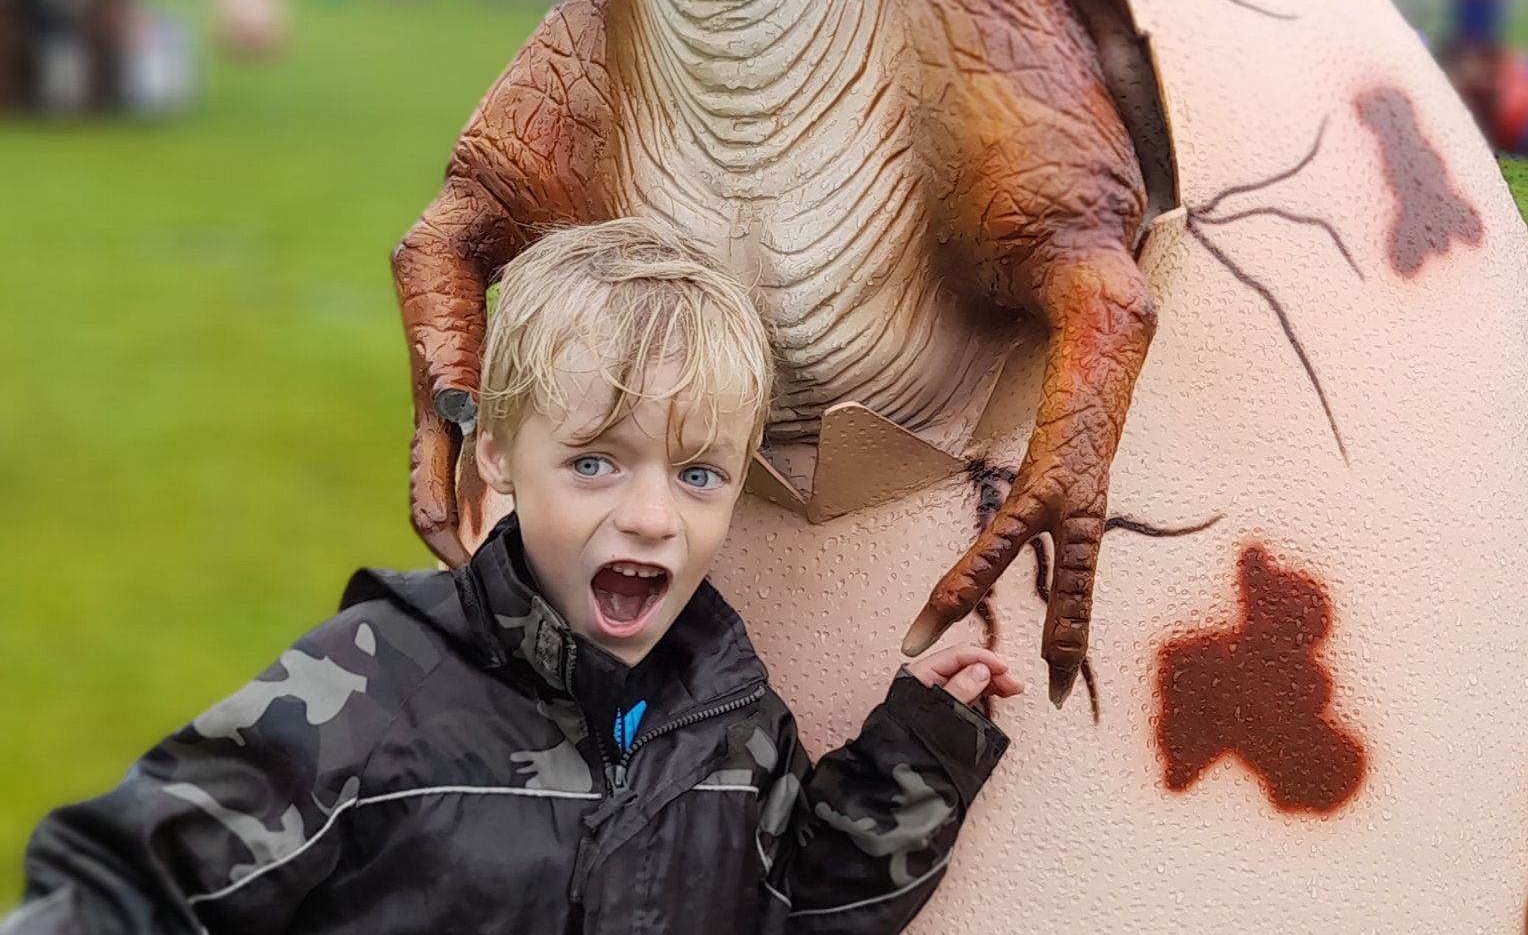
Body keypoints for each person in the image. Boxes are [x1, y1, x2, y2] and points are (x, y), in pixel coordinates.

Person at [7, 219, 1017, 932]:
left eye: (698, 472)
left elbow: (798, 898)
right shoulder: (371, 692)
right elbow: (128, 883)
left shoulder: (733, 715)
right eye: (594, 461)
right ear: (494, 455)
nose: (653, 515)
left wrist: (915, 752)